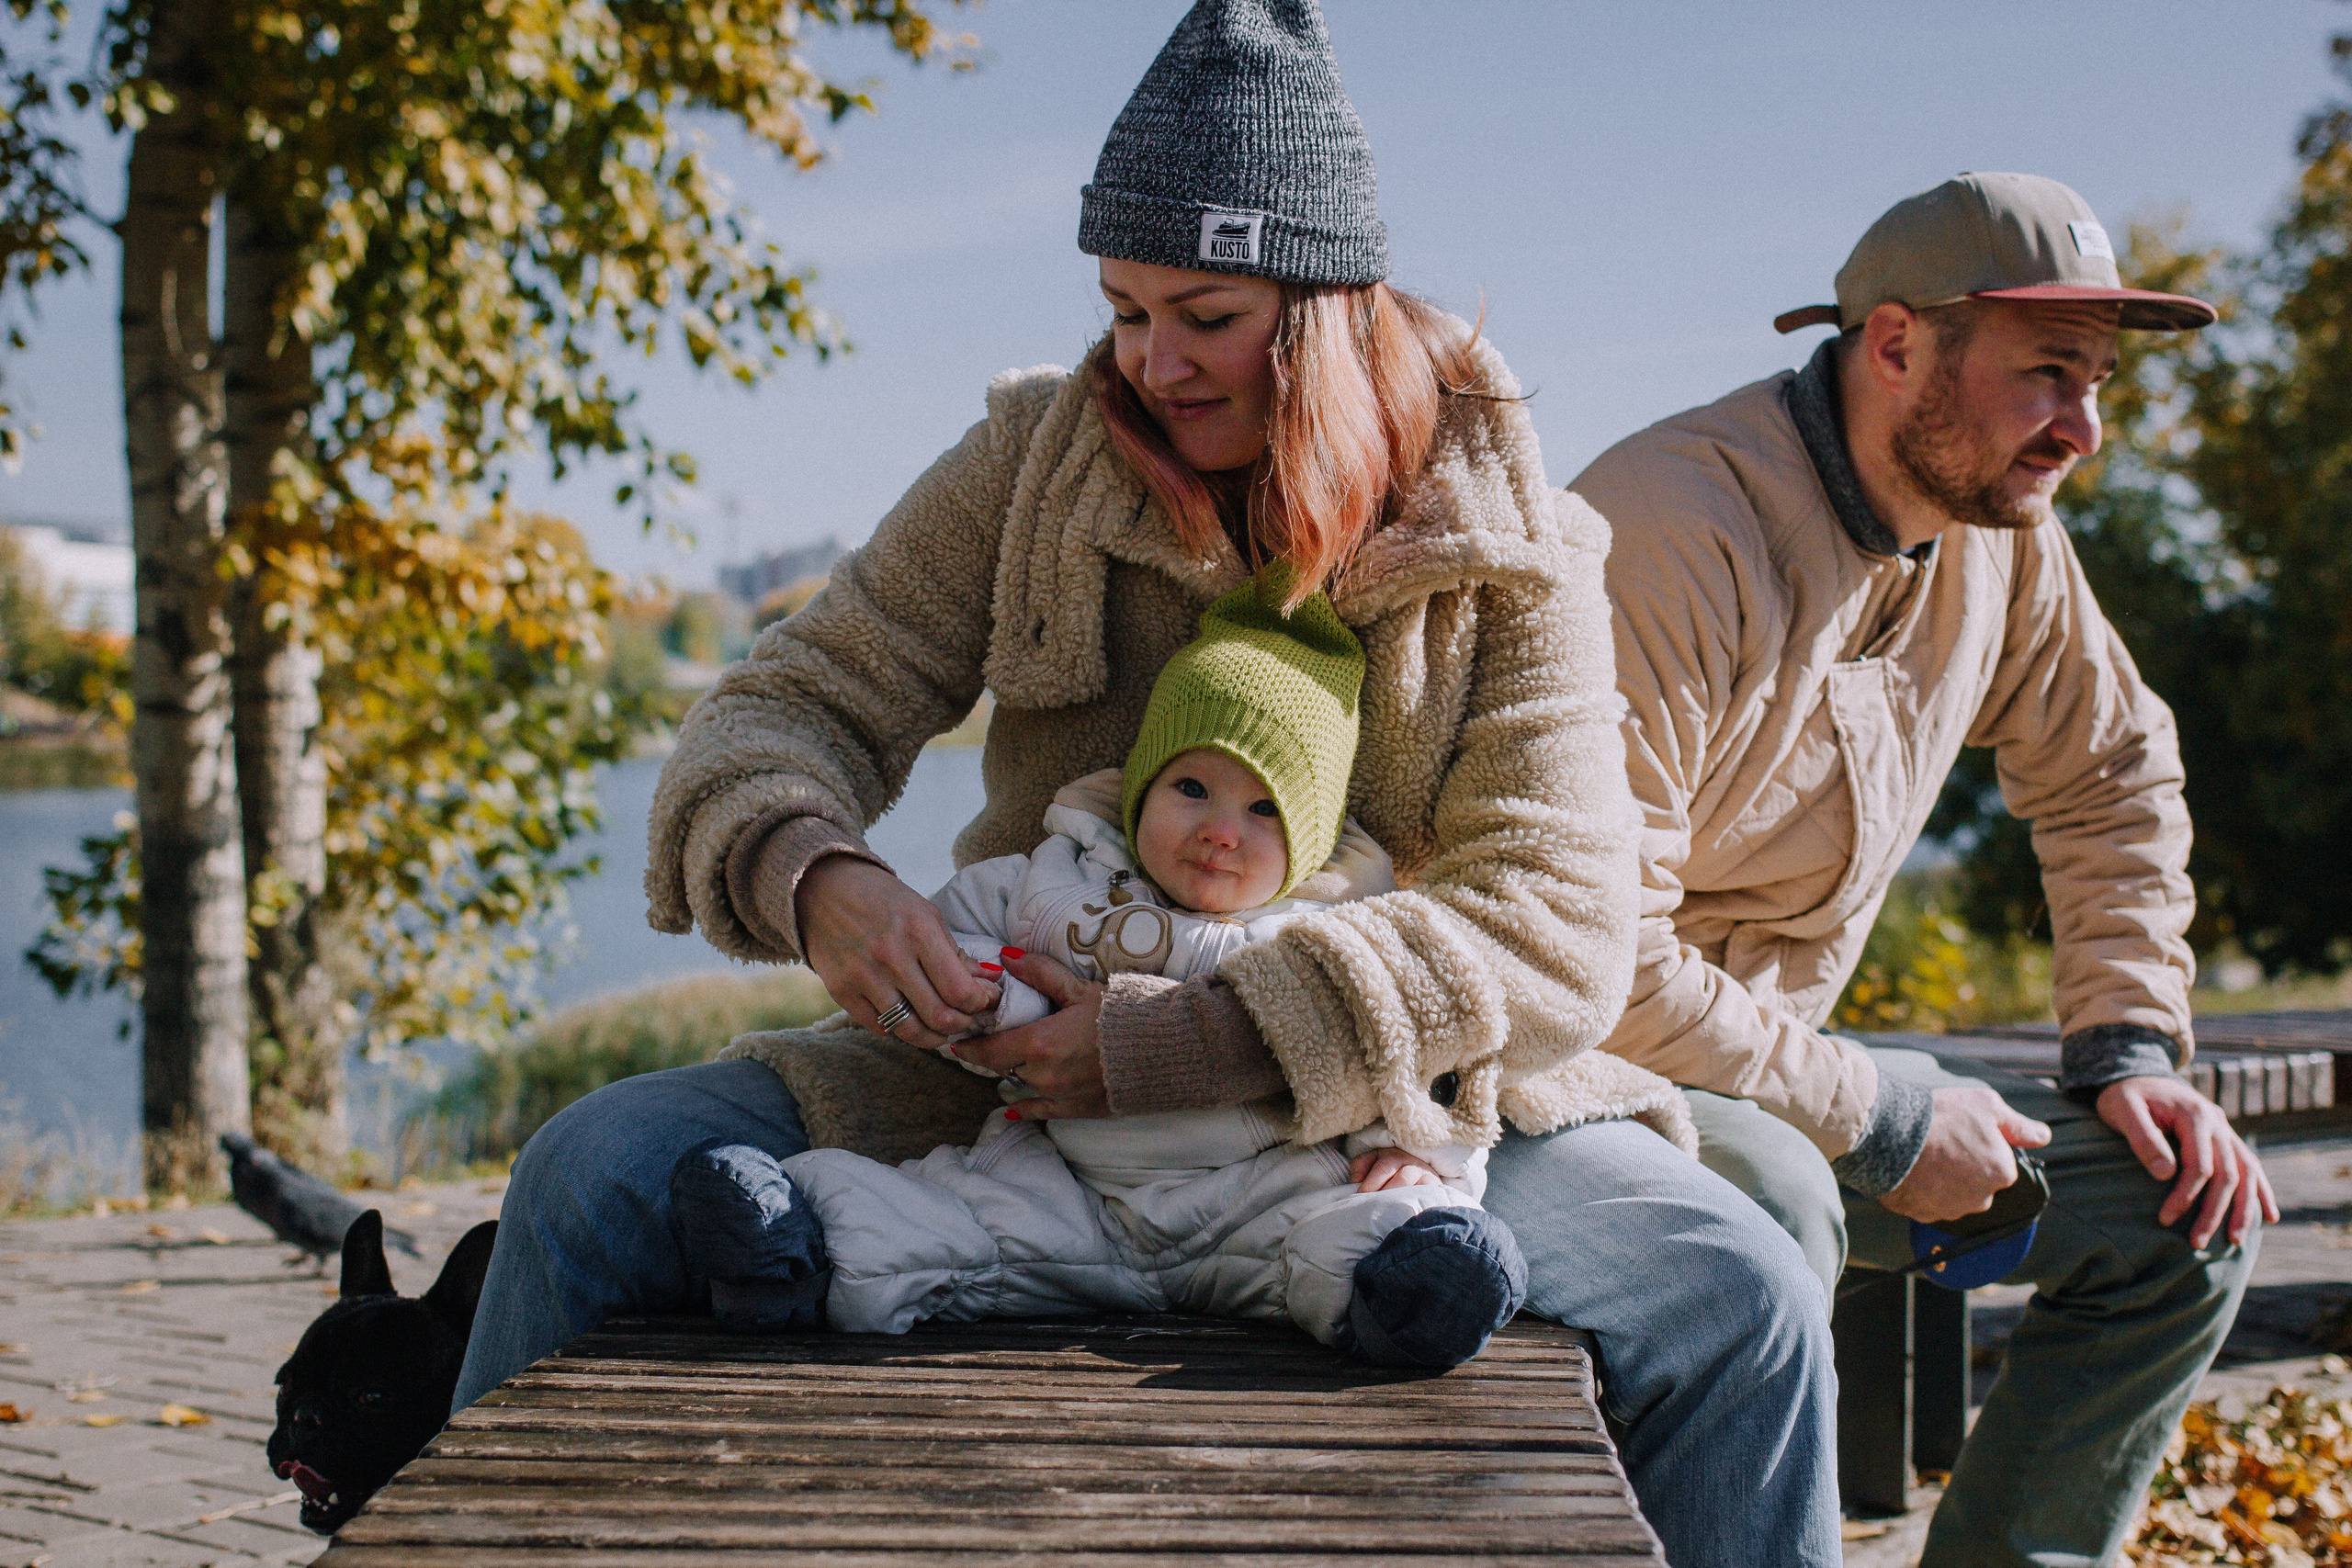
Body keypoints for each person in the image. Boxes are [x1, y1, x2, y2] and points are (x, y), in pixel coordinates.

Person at [455, 4, 1844, 1562]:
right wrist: (812, 870)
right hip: (1001, 1086)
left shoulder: (1507, 530)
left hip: (1390, 1119)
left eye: (1206, 314)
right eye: (1122, 308)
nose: (1151, 361)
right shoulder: (1035, 458)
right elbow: (787, 699)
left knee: (1744, 1303)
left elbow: (1560, 927)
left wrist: (1191, 1039)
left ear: (1326, 310)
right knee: (585, 1175)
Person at [1572, 171, 2281, 1567]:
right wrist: (1890, 1115)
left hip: (1787, 1071)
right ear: (1896, 344)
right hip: (1579, 1091)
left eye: (2098, 378)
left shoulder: (2004, 541)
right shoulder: (1669, 527)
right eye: (2047, 373)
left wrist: (2130, 1043)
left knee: (2181, 1219)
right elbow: (1592, 959)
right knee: (1765, 1202)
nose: (2083, 423)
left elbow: (2114, 768)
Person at [668, 581, 1532, 1367]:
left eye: (1264, 808)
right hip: (1071, 1186)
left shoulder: (1334, 927)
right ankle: (789, 1244)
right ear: (1141, 786)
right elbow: (955, 926)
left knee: (1372, 1232)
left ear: (1309, 837)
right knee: (945, 1218)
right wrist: (984, 996)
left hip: (1263, 1197)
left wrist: (1423, 1157)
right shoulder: (1062, 878)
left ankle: (1423, 1289)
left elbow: (1421, 1044)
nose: (1221, 830)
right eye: (1192, 787)